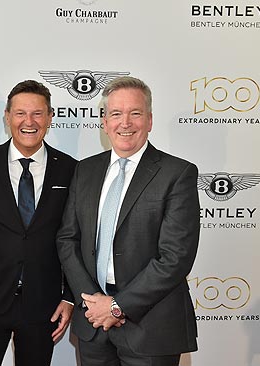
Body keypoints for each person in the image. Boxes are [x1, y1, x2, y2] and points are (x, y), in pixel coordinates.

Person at [56, 76, 200, 366]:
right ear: (105, 121)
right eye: (116, 114)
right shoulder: (85, 170)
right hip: (93, 323)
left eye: (135, 113)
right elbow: (68, 239)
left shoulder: (177, 173)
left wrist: (118, 307)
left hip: (151, 327)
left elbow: (175, 256)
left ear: (149, 120)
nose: (125, 123)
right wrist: (93, 301)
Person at [0, 80, 76, 366]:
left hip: (42, 303)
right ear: (8, 117)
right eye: (20, 113)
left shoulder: (71, 168)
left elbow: (79, 235)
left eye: (37, 113)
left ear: (49, 117)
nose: (29, 122)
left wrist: (70, 296)